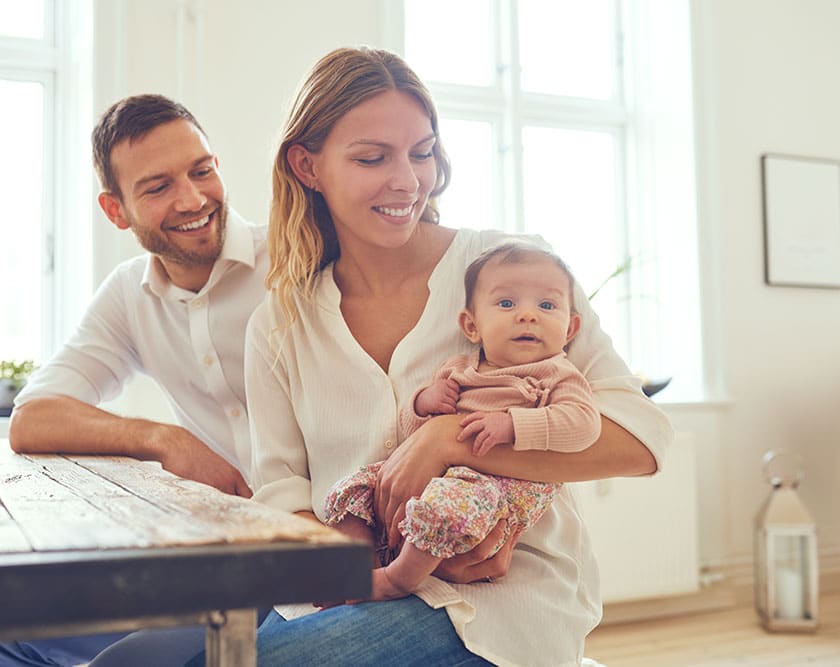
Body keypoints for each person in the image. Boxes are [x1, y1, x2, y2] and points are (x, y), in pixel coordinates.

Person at [235, 46, 673, 666]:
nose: (408, 181)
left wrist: (452, 440)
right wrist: (347, 550)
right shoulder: (280, 323)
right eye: (372, 157)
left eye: (422, 152)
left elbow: (642, 439)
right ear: (307, 166)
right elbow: (282, 488)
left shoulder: (512, 274)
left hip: (500, 597)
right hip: (350, 590)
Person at [0, 94, 267, 666]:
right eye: (157, 187)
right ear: (116, 210)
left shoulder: (293, 259)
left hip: (303, 561)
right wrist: (164, 439)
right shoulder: (131, 292)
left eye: (202, 170)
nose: (193, 198)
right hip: (211, 558)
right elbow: (33, 417)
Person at [323, 242, 601, 602]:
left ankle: (397, 580)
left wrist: (513, 424)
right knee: (355, 486)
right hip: (439, 475)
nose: (528, 315)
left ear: (570, 328)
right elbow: (414, 438)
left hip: (499, 483)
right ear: (472, 325)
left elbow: (583, 424)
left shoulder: (557, 374)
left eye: (546, 305)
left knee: (447, 505)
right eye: (507, 303)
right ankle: (360, 563)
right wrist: (424, 404)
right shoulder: (458, 369)